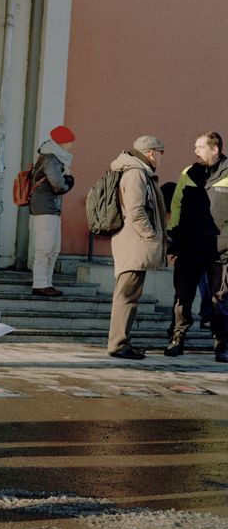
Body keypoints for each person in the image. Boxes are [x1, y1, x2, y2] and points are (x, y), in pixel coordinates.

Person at [165, 131, 228, 363]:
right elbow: (177, 206)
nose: (195, 151)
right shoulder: (188, 173)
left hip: (220, 250)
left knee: (220, 300)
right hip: (189, 247)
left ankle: (222, 344)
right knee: (182, 297)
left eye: (200, 147)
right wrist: (174, 240)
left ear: (215, 149)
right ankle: (176, 339)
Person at [106, 135, 167, 360]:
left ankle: (120, 342)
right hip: (133, 244)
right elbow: (136, 210)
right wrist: (150, 235)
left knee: (129, 295)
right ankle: (119, 344)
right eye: (160, 152)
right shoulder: (135, 174)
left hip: (133, 243)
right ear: (151, 152)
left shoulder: (138, 172)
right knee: (127, 296)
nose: (161, 156)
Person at [29, 125, 76, 297]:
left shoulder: (56, 157)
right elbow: (57, 184)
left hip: (52, 207)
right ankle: (40, 284)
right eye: (69, 142)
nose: (71, 146)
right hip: (44, 207)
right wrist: (69, 182)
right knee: (44, 248)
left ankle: (47, 283)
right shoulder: (51, 158)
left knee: (53, 248)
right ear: (61, 142)